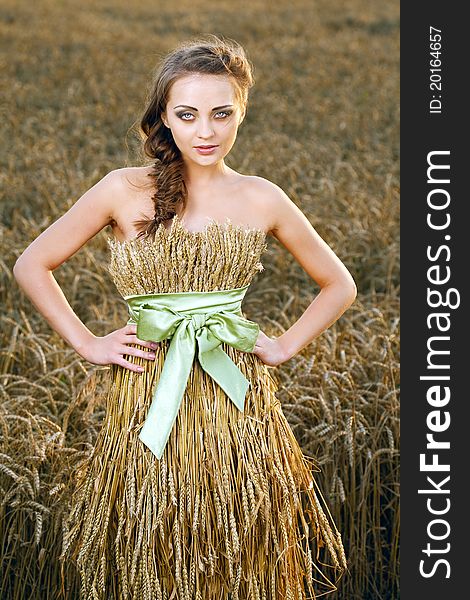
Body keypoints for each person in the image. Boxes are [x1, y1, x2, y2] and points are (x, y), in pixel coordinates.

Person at [13, 34, 355, 599]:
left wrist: (286, 344)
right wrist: (88, 343)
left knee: (239, 543)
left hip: (236, 405)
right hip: (146, 394)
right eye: (188, 114)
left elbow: (339, 284)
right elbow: (32, 264)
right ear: (164, 118)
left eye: (222, 114)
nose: (206, 132)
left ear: (241, 112)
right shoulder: (123, 189)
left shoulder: (262, 197)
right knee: (153, 542)